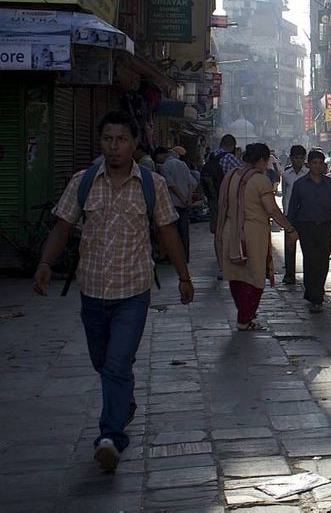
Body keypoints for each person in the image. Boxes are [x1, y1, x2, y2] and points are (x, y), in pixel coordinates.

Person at [31, 111, 193, 473]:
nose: (114, 146)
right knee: (103, 363)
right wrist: (44, 264)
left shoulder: (151, 184)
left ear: (135, 143)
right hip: (91, 289)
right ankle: (124, 402)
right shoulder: (83, 182)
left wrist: (184, 276)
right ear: (100, 142)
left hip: (133, 292)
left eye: (121, 140)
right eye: (107, 139)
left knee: (118, 364)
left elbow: (168, 232)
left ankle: (110, 437)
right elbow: (62, 226)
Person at [217, 143, 298, 331]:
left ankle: (243, 315)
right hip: (252, 233)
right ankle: (245, 318)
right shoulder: (260, 180)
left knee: (236, 275)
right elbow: (271, 209)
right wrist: (289, 228)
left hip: (232, 231)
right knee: (256, 275)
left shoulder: (230, 175)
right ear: (261, 160)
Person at [288, 150, 331, 313]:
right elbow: (293, 208)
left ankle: (318, 292)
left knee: (322, 261)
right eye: (314, 163)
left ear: (324, 165)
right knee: (310, 260)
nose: (317, 166)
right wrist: (291, 230)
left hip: (324, 226)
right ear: (309, 164)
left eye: (320, 163)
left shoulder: (330, 184)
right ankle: (314, 295)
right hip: (306, 226)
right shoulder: (300, 185)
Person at [154, 146, 197, 262]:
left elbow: (171, 185)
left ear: (161, 155)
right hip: (184, 205)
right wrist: (188, 199)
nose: (157, 160)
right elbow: (192, 183)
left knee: (174, 234)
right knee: (184, 232)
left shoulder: (165, 167)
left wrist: (182, 199)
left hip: (173, 205)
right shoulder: (182, 164)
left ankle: (176, 258)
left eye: (157, 157)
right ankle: (185, 257)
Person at [202, 134, 243, 234]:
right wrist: (237, 157)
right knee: (225, 225)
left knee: (216, 224)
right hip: (225, 194)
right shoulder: (229, 157)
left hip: (212, 193)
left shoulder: (210, 155)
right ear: (232, 146)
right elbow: (242, 172)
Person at [281, 145, 309, 285]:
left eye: (301, 158)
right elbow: (285, 195)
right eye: (296, 158)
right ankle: (289, 274)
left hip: (306, 214)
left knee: (307, 246)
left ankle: (308, 275)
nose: (298, 161)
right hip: (290, 215)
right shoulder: (286, 174)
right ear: (291, 158)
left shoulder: (309, 173)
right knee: (290, 246)